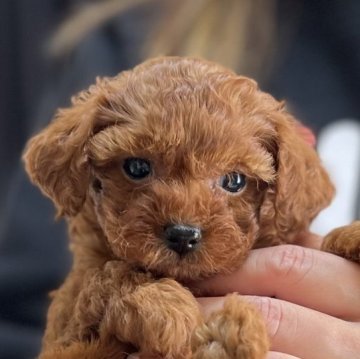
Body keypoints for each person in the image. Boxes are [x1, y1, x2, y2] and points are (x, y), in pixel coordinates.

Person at [0, 1, 359, 358]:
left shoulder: (281, 202)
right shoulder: (128, 33)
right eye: (138, 169)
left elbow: (300, 245)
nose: (184, 223)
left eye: (233, 182)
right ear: (80, 172)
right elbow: (15, 324)